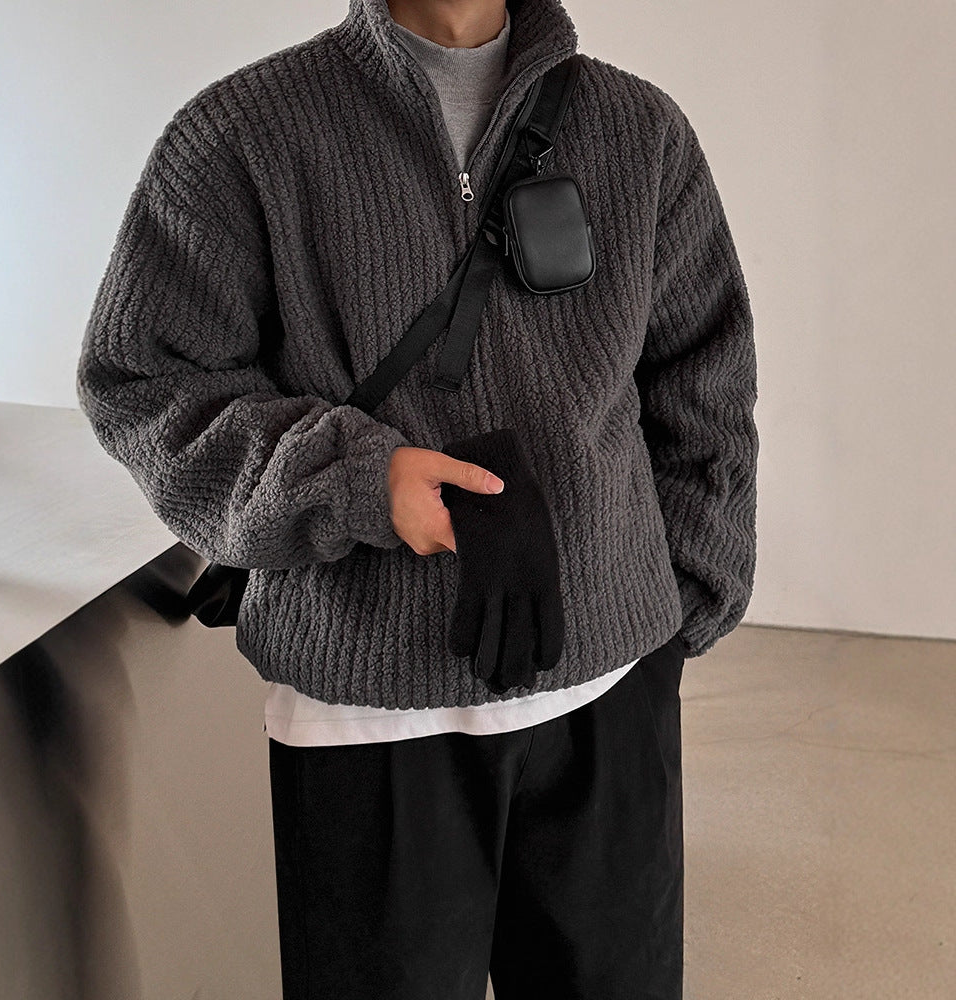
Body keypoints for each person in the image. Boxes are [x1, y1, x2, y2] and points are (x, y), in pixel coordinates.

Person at [75, 0, 759, 996]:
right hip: (366, 715)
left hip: (609, 693)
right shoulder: (240, 136)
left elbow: (705, 376)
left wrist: (672, 607)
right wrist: (355, 479)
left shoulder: (637, 129)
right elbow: (145, 381)